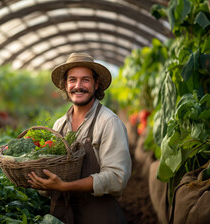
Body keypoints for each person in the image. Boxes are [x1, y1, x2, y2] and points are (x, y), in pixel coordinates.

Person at [27, 53, 132, 224]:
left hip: (99, 217)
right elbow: (53, 173)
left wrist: (65, 187)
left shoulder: (108, 123)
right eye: (72, 80)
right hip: (64, 215)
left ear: (96, 84)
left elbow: (117, 177)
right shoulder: (60, 125)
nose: (78, 86)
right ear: (65, 86)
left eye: (85, 80)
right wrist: (43, 184)